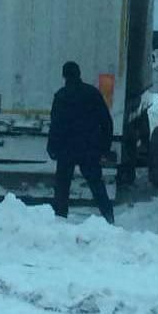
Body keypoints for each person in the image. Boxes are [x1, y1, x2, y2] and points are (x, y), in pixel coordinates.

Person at [47, 61, 115, 224]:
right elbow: (106, 121)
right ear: (79, 74)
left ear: (64, 75)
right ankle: (108, 217)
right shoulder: (92, 93)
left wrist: (52, 147)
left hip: (66, 149)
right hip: (89, 148)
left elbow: (55, 124)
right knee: (96, 185)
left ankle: (60, 218)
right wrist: (104, 146)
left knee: (62, 186)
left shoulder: (61, 96)